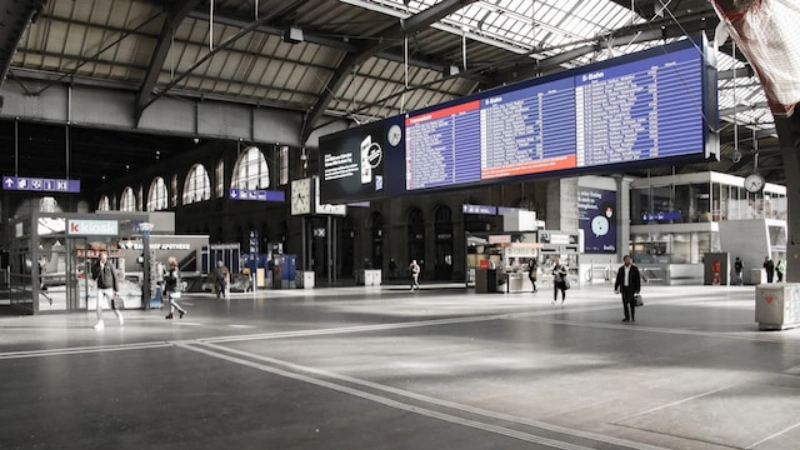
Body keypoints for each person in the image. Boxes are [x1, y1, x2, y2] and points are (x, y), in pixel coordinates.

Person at [91, 252, 124, 329]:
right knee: (98, 305)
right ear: (99, 258)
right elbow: (94, 277)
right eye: (102, 258)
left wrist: (116, 290)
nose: (104, 260)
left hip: (109, 288)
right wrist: (100, 269)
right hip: (100, 288)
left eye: (105, 258)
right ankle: (100, 322)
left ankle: (119, 315)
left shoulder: (110, 265)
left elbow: (115, 277)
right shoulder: (95, 266)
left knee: (112, 305)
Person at [615, 255, 642, 323]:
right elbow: (618, 279)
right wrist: (616, 287)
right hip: (624, 288)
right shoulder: (621, 269)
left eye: (629, 259)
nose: (628, 261)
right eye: (627, 259)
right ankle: (627, 316)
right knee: (624, 303)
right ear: (624, 261)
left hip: (631, 288)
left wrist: (638, 289)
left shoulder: (634, 269)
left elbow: (637, 279)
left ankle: (632, 316)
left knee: (631, 303)